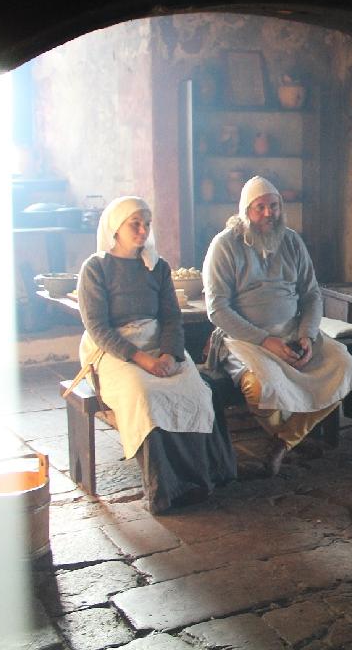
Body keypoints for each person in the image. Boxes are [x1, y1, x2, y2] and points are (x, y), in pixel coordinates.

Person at [77, 196, 236, 513]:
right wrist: (143, 360)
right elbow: (98, 328)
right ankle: (165, 488)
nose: (142, 230)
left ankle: (201, 478)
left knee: (196, 391)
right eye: (134, 224)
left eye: (146, 224)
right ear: (115, 228)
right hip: (114, 349)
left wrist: (169, 355)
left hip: (157, 341)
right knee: (145, 395)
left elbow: (171, 318)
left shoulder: (157, 267)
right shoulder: (95, 268)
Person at [203, 175, 352, 476]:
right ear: (246, 210)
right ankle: (292, 438)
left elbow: (311, 294)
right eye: (260, 207)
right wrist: (266, 341)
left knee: (345, 367)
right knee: (259, 389)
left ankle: (282, 442)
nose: (269, 213)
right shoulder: (224, 245)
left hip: (294, 332)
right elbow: (218, 309)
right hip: (247, 340)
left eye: (275, 206)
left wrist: (307, 335)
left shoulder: (291, 240)